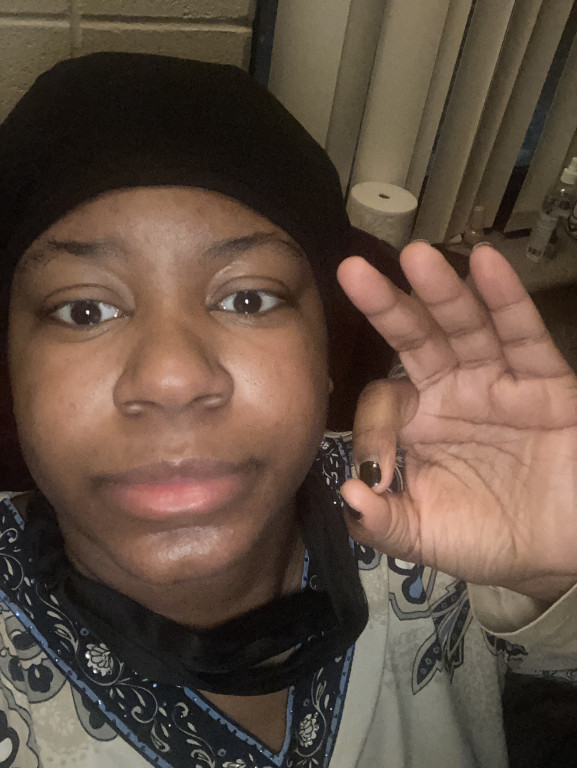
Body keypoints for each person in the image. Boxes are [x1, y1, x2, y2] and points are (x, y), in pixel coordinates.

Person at [0, 51, 576, 768]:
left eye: (248, 299)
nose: (173, 378)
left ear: (325, 355)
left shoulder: (448, 496)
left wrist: (556, 580)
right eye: (84, 310)